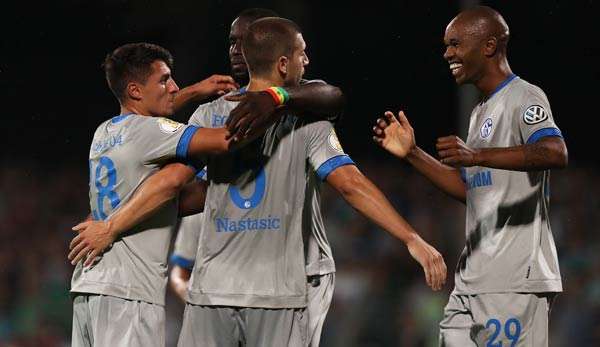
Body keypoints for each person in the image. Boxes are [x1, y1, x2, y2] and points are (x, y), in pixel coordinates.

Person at [174, 17, 446, 346]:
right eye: (302, 53)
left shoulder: (205, 117)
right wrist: (411, 238)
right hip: (276, 296)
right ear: (283, 64)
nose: (307, 60)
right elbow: (350, 184)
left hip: (210, 292)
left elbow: (177, 190)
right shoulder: (308, 122)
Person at [373, 6, 567, 346]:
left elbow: (555, 152)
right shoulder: (480, 110)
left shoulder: (525, 96)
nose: (447, 53)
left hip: (513, 279)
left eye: (456, 44)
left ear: (489, 46)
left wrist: (477, 155)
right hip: (472, 278)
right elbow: (471, 189)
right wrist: (413, 154)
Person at [68, 42, 259, 347]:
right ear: (134, 90)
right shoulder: (150, 132)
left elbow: (174, 197)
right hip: (128, 294)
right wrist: (276, 102)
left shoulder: (104, 132)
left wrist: (195, 92)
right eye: (164, 80)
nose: (174, 87)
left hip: (90, 287)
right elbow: (225, 139)